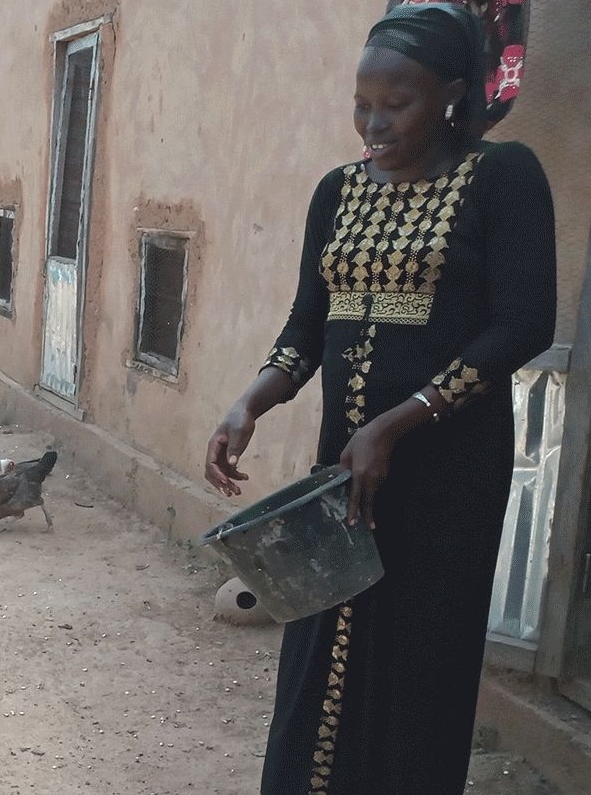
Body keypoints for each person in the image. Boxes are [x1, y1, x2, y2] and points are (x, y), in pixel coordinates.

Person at [202, 4, 557, 794]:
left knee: (416, 660)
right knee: (320, 651)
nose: (373, 120)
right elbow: (306, 328)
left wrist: (400, 422)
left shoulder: (501, 177)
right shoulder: (338, 192)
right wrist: (249, 404)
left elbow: (524, 325)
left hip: (447, 476)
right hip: (344, 479)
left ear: (453, 94)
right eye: (362, 101)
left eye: (397, 103)